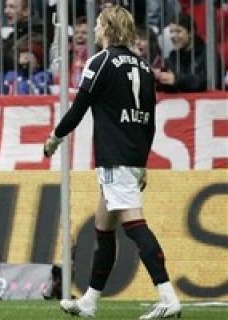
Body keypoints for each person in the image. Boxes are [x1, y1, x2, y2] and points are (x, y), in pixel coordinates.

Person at [43, 6, 181, 319]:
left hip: (114, 156)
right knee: (103, 227)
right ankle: (90, 302)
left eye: (97, 25)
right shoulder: (143, 67)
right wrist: (142, 162)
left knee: (134, 225)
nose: (93, 30)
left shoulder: (101, 61)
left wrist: (54, 137)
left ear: (106, 28)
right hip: (132, 154)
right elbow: (151, 122)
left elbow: (78, 109)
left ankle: (168, 296)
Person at [154, 13, 222, 92]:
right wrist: (159, 79)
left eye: (178, 31)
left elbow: (211, 82)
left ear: (191, 33)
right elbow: (170, 87)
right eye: (171, 32)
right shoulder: (173, 56)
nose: (172, 36)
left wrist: (177, 79)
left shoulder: (208, 54)